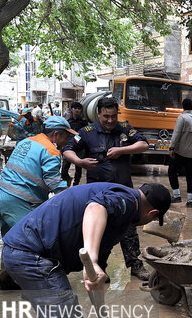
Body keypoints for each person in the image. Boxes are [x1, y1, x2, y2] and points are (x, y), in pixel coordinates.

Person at [2, 182, 171, 318]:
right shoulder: (128, 201)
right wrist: (90, 259)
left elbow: (94, 279)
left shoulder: (117, 220)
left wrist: (103, 317)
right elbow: (95, 208)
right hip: (30, 256)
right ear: (153, 213)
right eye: (151, 219)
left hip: (24, 252)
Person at [63, 96, 151, 281]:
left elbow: (144, 144)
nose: (110, 120)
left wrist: (122, 150)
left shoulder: (126, 129)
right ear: (98, 114)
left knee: (128, 227)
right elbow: (67, 149)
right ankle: (98, 268)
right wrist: (80, 161)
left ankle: (135, 264)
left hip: (124, 190)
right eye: (106, 116)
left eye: (113, 116)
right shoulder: (85, 132)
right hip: (98, 194)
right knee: (98, 230)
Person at [0, 116, 77, 290]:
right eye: (65, 137)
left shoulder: (27, 141)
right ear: (56, 134)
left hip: (1, 195)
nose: (66, 141)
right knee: (34, 242)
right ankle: (39, 285)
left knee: (11, 240)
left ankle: (7, 281)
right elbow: (55, 184)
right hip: (19, 200)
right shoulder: (51, 151)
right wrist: (74, 199)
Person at [168, 98, 192, 207]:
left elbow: (177, 134)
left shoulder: (182, 118)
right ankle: (190, 201)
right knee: (191, 176)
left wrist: (172, 147)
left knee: (172, 171)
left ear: (183, 106)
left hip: (181, 152)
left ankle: (177, 195)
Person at [60, 102, 88, 187]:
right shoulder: (67, 122)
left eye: (79, 108)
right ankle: (66, 183)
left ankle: (76, 185)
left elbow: (84, 135)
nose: (77, 110)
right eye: (75, 108)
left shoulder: (83, 122)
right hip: (68, 147)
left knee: (78, 168)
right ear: (71, 109)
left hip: (79, 148)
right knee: (64, 168)